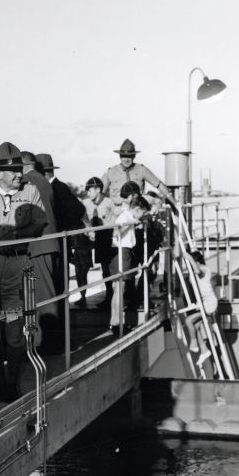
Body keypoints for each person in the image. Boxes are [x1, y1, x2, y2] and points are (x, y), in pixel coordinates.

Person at [0, 142, 47, 401]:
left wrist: (16, 234)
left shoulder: (31, 191)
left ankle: (12, 381)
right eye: (12, 171)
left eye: (20, 169)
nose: (19, 174)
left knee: (15, 323)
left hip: (17, 264)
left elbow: (39, 225)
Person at [20, 151, 61, 344]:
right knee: (46, 293)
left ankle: (49, 343)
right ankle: (47, 341)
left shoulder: (28, 180)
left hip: (39, 244)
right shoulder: (43, 180)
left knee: (43, 296)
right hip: (49, 243)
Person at [35, 153, 86, 302]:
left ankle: (61, 320)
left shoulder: (58, 187)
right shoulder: (55, 186)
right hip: (57, 245)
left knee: (59, 285)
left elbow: (78, 209)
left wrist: (59, 226)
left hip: (60, 244)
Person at [109, 194, 150, 335]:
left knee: (118, 290)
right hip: (122, 252)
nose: (141, 217)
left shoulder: (128, 217)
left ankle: (114, 320)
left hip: (122, 252)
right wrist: (132, 223)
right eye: (142, 213)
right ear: (137, 209)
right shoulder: (125, 218)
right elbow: (116, 231)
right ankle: (117, 322)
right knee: (120, 289)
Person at [100, 139, 168, 213]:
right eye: (124, 156)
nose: (126, 160)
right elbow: (100, 195)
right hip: (118, 212)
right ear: (120, 157)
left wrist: (174, 202)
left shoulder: (141, 169)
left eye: (129, 157)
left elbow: (159, 184)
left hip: (138, 211)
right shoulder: (111, 172)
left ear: (134, 156)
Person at [83, 177, 115, 307]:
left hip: (109, 239)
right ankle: (108, 296)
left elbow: (116, 218)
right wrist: (88, 231)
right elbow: (84, 220)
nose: (88, 193)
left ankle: (111, 297)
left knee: (110, 269)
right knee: (104, 269)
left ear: (98, 190)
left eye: (90, 190)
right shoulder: (86, 203)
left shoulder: (109, 202)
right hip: (97, 242)